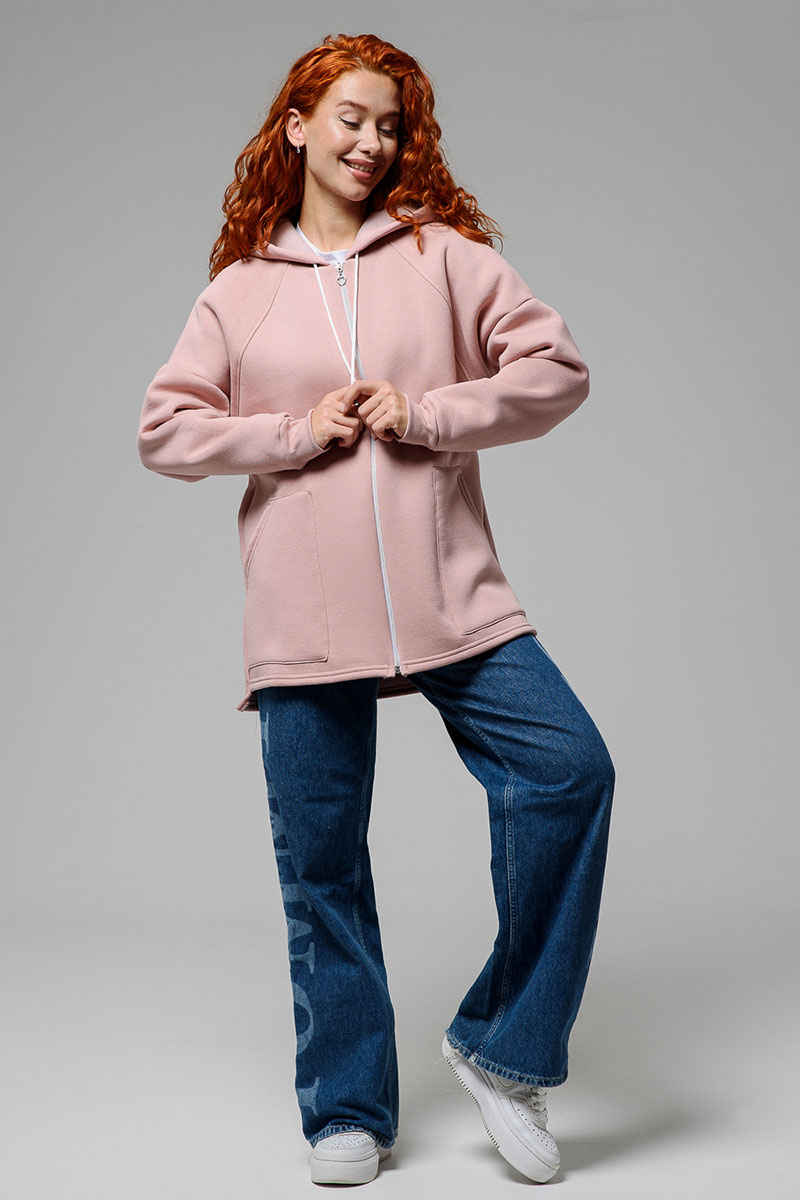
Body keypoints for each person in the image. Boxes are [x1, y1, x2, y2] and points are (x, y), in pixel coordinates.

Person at [137, 31, 615, 1188]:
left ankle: (503, 1047)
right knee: (321, 866)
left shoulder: (443, 258)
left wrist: (426, 412)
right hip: (304, 619)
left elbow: (554, 370)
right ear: (297, 124)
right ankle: (346, 1108)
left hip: (451, 594)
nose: (371, 142)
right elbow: (165, 429)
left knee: (568, 771)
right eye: (350, 118)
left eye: (390, 126)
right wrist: (292, 434)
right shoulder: (241, 292)